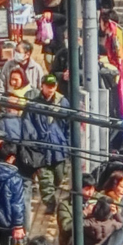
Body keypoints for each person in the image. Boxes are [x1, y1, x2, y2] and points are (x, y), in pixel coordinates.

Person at [22, 76, 71, 216]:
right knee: (45, 180)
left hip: (59, 149)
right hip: (41, 151)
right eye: (48, 86)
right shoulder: (33, 105)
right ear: (42, 86)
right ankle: (50, 204)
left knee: (59, 176)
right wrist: (33, 145)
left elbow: (69, 126)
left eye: (53, 86)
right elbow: (27, 126)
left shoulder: (63, 103)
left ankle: (52, 196)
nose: (50, 89)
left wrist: (67, 145)